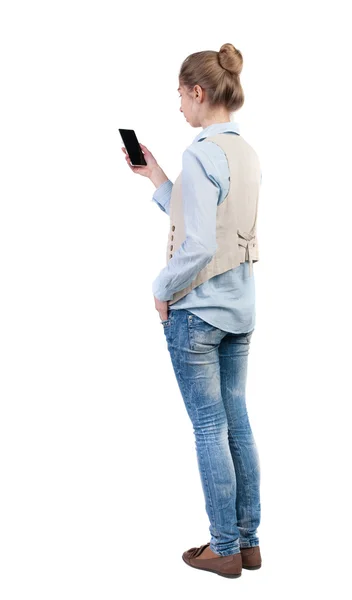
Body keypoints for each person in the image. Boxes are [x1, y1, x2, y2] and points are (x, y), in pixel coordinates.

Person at [122, 43, 262, 579]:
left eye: (181, 95)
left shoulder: (200, 154)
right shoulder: (244, 152)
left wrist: (161, 288)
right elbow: (204, 218)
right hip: (240, 310)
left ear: (198, 92)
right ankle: (247, 543)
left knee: (209, 428)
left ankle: (223, 546)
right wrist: (155, 177)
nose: (179, 105)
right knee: (237, 425)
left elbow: (199, 244)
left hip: (197, 313)